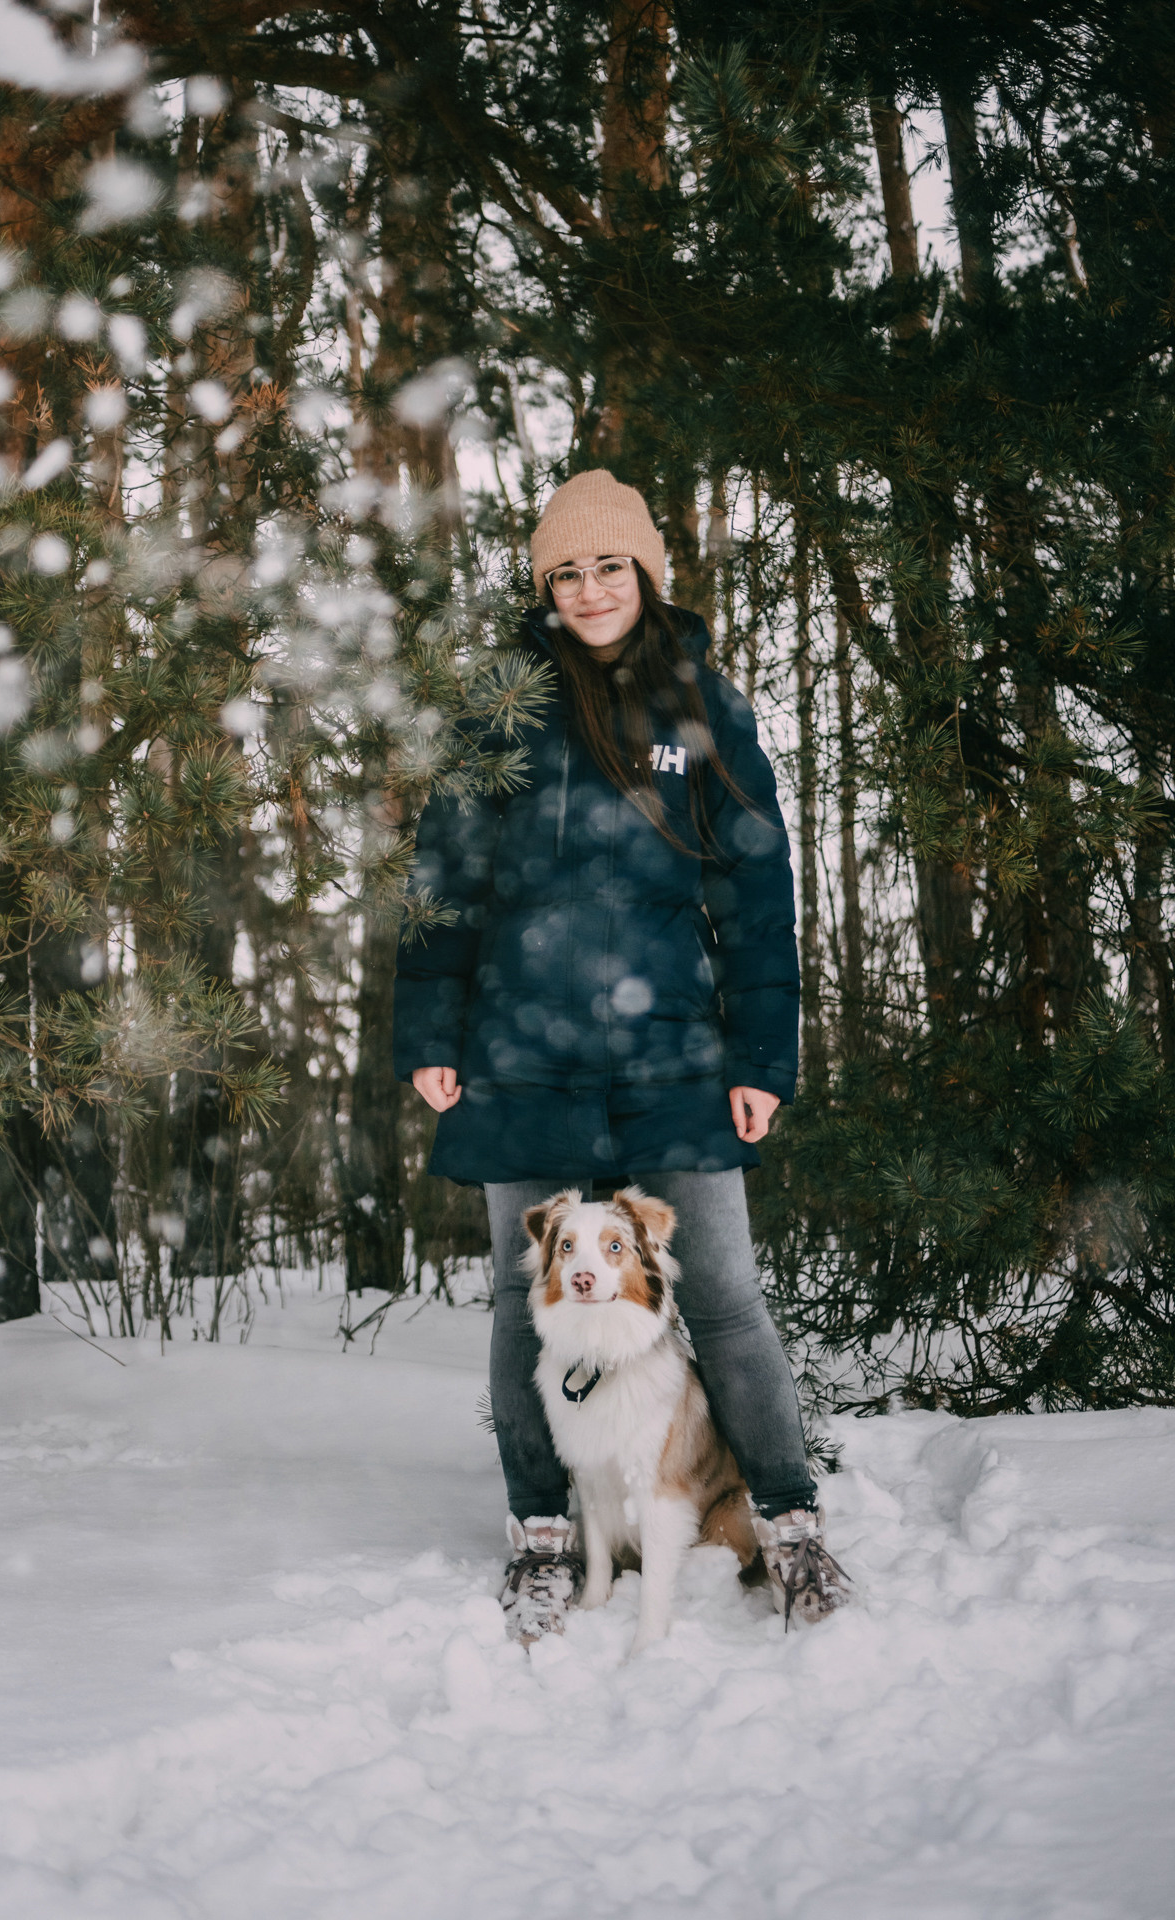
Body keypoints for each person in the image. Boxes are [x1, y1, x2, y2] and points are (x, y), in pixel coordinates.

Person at [393, 469, 852, 1636]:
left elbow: (756, 890)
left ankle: (789, 1528)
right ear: (542, 586)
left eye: (608, 566)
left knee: (729, 1298)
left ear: (645, 572)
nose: (589, 588)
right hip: (517, 1047)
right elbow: (439, 884)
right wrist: (431, 1034)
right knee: (516, 1297)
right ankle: (542, 1536)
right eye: (565, 570)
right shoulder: (499, 705)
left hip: (672, 1051)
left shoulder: (701, 705)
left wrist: (760, 1058)